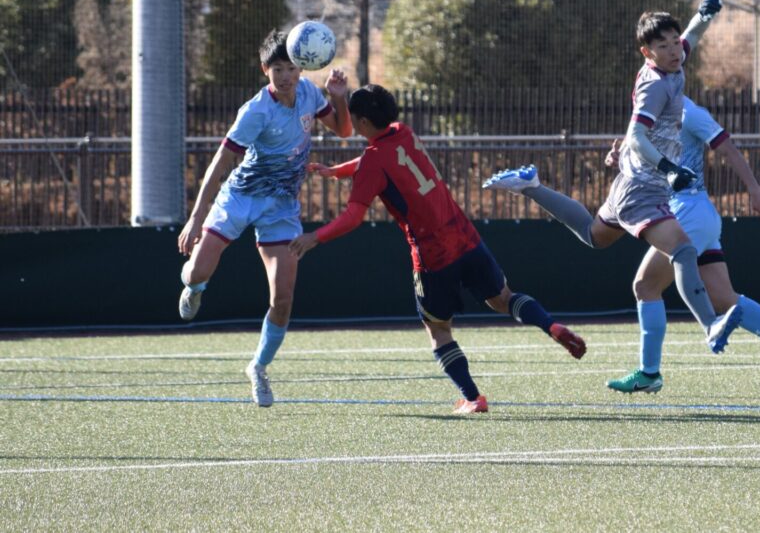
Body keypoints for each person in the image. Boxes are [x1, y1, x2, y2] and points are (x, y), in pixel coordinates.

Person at [290, 84, 587, 415]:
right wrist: (338, 171)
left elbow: (353, 216)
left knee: (438, 329)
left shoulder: (374, 161)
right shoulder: (403, 132)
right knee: (504, 298)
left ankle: (472, 398)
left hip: (433, 257)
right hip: (465, 235)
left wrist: (314, 237)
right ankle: (551, 326)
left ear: (361, 122)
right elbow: (380, 158)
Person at [484, 0, 744, 354]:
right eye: (663, 46)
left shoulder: (673, 60)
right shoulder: (655, 86)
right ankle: (711, 325)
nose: (673, 50)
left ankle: (532, 186)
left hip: (634, 181)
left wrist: (704, 15)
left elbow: (690, 38)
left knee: (595, 235)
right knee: (683, 250)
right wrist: (669, 170)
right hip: (642, 188)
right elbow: (636, 137)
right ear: (647, 52)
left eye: (673, 42)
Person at [176, 29, 353, 408]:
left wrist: (339, 97)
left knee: (283, 298)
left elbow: (343, 131)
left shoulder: (310, 94)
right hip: (240, 197)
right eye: (277, 69)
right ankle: (193, 286)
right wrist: (196, 217)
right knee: (198, 271)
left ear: (301, 68)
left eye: (291, 68)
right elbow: (221, 161)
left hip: (281, 206)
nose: (286, 76)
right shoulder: (255, 111)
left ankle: (257, 367)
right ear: (265, 70)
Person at [602, 95, 760, 394]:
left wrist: (755, 190)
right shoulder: (651, 113)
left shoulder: (689, 113)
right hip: (691, 214)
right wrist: (618, 159)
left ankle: (649, 373)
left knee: (646, 286)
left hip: (688, 212)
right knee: (724, 298)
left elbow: (728, 149)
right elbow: (643, 157)